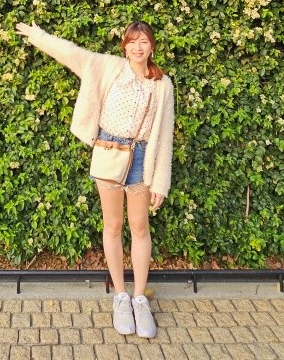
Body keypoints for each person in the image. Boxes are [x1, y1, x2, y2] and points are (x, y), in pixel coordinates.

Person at [15, 20, 175, 339]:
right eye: (132, 42)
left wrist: (161, 181)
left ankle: (140, 298)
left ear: (152, 46)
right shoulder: (108, 67)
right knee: (113, 226)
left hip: (142, 159)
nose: (137, 47)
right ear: (124, 46)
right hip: (108, 153)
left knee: (140, 228)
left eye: (143, 42)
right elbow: (71, 53)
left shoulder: (162, 84)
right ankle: (120, 296)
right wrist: (38, 35)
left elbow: (165, 135)